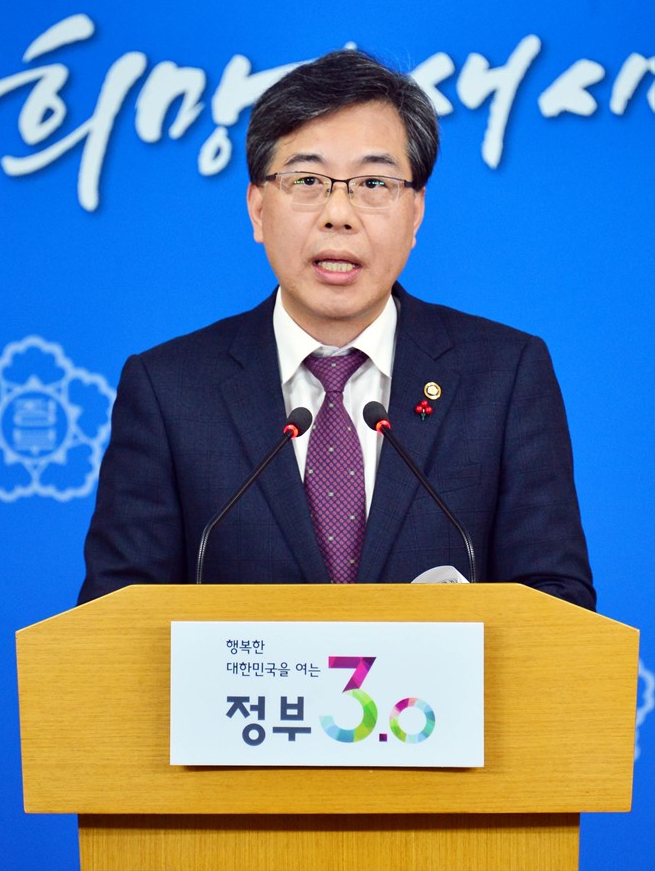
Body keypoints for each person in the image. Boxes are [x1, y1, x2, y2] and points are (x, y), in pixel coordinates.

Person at [78, 50, 595, 610]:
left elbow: (556, 603)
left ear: (416, 212)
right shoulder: (168, 389)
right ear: (258, 209)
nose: (339, 214)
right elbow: (115, 619)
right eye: (307, 180)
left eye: (373, 183)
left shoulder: (505, 375)